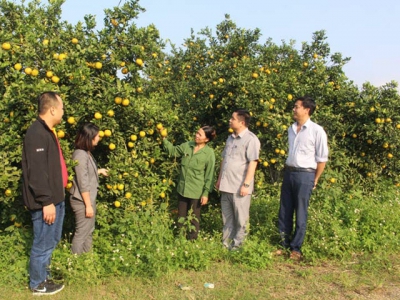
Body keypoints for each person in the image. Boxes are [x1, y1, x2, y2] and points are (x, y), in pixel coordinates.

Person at [22, 91, 68, 296]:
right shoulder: (36, 134)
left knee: (50, 241)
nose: (63, 111)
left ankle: (44, 277)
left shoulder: (46, 131)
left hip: (55, 200)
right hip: (46, 203)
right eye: (62, 107)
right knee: (42, 243)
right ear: (52, 109)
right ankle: (37, 283)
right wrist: (46, 201)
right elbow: (37, 173)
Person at [277, 96, 329, 261]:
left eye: (296, 106)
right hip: (290, 172)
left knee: (300, 211)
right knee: (284, 210)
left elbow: (322, 158)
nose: (294, 109)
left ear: (307, 110)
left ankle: (296, 248)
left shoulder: (316, 130)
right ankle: (282, 244)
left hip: (306, 174)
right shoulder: (291, 129)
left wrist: (315, 178)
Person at [216, 109, 261, 250]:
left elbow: (253, 163)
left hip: (240, 186)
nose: (230, 120)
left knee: (241, 220)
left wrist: (246, 184)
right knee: (227, 218)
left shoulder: (251, 139)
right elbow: (224, 160)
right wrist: (219, 180)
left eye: (233, 118)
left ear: (241, 122)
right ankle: (226, 245)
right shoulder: (230, 138)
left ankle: (237, 247)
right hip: (226, 185)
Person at [162, 126, 216, 240]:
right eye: (197, 133)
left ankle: (192, 241)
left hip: (196, 191)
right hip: (182, 188)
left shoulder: (209, 153)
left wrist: (206, 193)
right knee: (181, 217)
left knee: (193, 218)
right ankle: (180, 238)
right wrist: (163, 138)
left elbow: (209, 174)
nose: (196, 135)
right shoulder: (188, 145)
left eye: (200, 135)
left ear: (206, 139)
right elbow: (173, 151)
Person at [69, 123, 108, 254]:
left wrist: (99, 171)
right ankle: (75, 264)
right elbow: (82, 181)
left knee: (88, 231)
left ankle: (86, 260)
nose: (99, 138)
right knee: (81, 234)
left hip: (87, 200)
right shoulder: (80, 154)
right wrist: (88, 205)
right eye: (97, 136)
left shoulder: (86, 153)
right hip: (82, 201)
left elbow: (86, 172)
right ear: (90, 137)